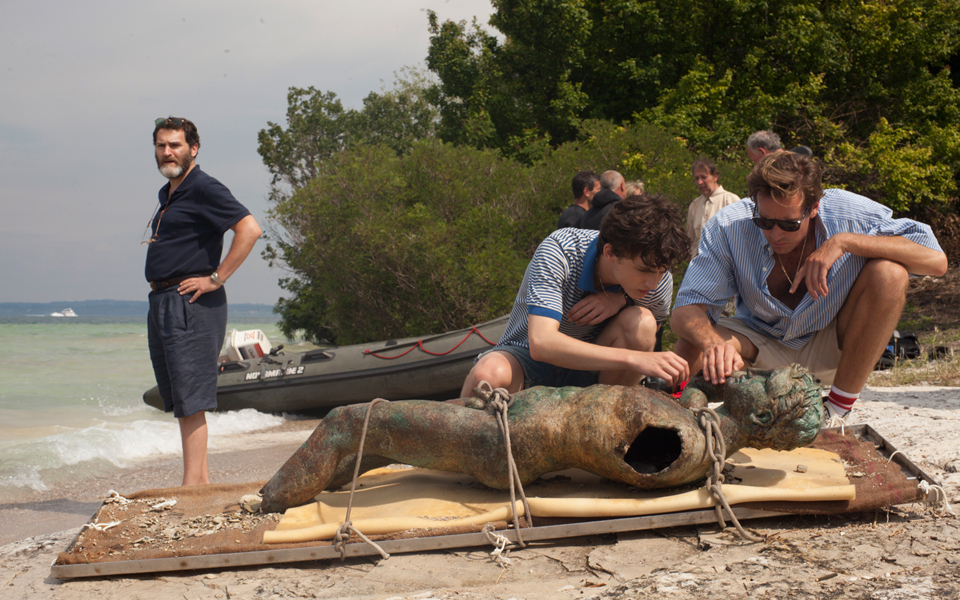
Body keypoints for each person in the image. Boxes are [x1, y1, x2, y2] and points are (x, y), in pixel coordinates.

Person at [261, 365, 823, 513]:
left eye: (760, 383)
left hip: (500, 444)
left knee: (348, 421)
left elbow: (644, 463)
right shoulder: (707, 426)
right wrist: (705, 397)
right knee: (374, 447)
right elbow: (699, 401)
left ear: (767, 417)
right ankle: (309, 490)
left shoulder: (684, 444)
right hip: (505, 424)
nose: (748, 375)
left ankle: (267, 502)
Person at [670, 152, 947, 422]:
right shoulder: (728, 225)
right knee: (695, 339)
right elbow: (685, 310)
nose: (775, 235)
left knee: (890, 273)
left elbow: (936, 261)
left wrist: (844, 242)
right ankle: (673, 419)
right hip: (759, 340)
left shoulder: (849, 212)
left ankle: (836, 411)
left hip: (833, 341)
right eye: (764, 222)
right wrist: (714, 344)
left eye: (789, 224)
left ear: (814, 207)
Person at [460, 194, 690, 397]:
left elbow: (648, 335)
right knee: (488, 374)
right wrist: (634, 358)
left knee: (643, 324)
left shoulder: (658, 275)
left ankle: (608, 419)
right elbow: (541, 343)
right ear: (610, 252)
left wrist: (621, 299)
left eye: (662, 272)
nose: (653, 283)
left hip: (594, 372)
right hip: (528, 361)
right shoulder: (560, 250)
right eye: (644, 270)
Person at [144, 117, 262, 486]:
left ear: (193, 149)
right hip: (163, 300)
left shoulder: (203, 187)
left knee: (191, 400)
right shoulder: (170, 193)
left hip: (190, 303)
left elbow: (249, 229)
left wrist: (216, 278)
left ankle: (191, 491)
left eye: (175, 145)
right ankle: (201, 486)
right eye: (161, 145)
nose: (167, 152)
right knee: (182, 400)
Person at [686, 158, 741, 259]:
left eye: (703, 177)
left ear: (715, 177)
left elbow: (740, 239)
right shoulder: (694, 205)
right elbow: (691, 240)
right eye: (696, 178)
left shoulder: (731, 201)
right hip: (699, 267)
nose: (699, 182)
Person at [747, 129, 812, 162]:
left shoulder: (772, 177)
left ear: (762, 152)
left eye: (755, 161)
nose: (755, 166)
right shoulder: (801, 163)